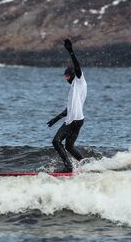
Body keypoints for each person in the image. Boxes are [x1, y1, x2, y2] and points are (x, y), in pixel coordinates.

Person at [47, 38, 87, 172]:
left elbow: (77, 67)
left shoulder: (79, 81)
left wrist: (71, 52)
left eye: (67, 77)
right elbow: (68, 109)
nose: (66, 79)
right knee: (69, 146)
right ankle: (86, 165)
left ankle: (69, 167)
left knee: (56, 142)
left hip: (74, 120)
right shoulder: (73, 90)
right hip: (78, 120)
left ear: (72, 75)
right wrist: (56, 119)